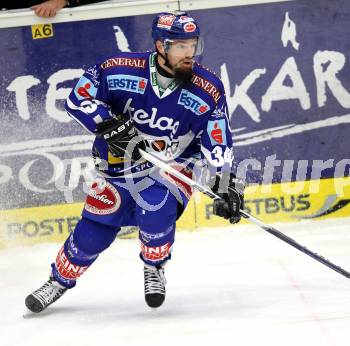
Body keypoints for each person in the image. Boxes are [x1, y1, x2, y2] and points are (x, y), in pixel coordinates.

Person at [25, 11, 244, 313]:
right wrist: (109, 124)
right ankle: (59, 280)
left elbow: (217, 137)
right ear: (160, 46)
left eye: (193, 45)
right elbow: (78, 99)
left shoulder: (208, 89)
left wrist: (225, 181)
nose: (189, 53)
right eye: (180, 46)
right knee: (93, 233)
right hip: (116, 166)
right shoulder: (118, 70)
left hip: (172, 164)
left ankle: (154, 266)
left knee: (155, 209)